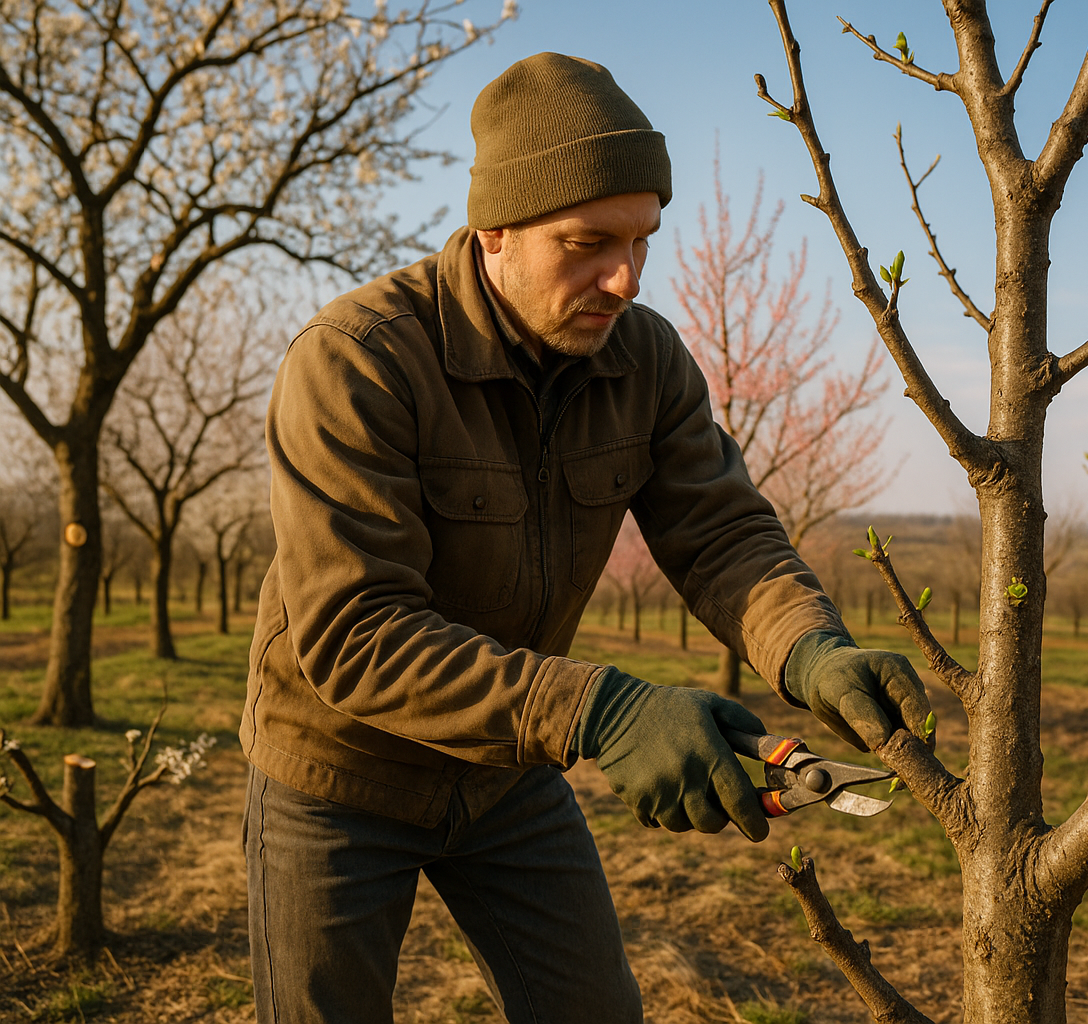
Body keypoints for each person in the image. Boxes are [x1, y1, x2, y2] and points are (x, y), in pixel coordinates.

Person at [240, 52, 930, 1023]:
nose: (624, 277)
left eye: (643, 240)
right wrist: (600, 713)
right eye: (587, 242)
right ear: (493, 233)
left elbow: (722, 531)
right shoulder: (356, 362)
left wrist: (810, 647)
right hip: (337, 772)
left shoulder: (643, 357)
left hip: (504, 776)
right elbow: (355, 632)